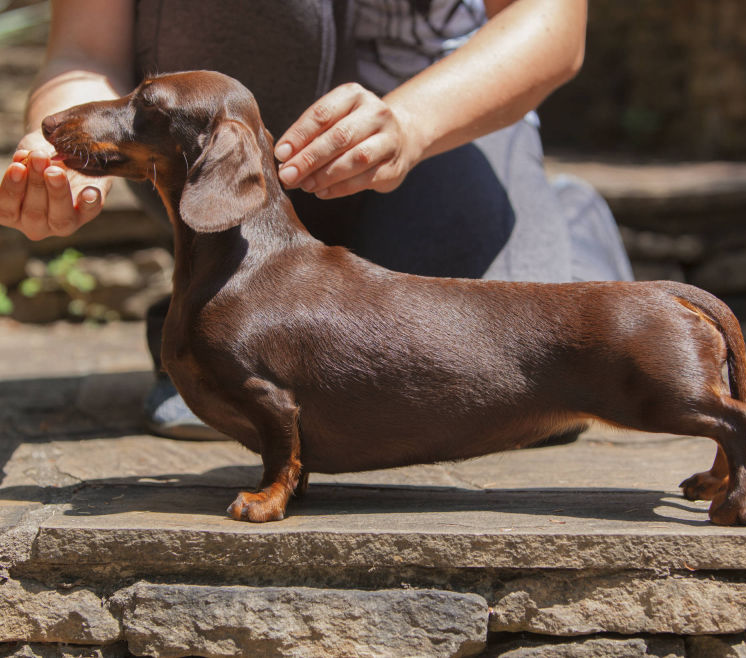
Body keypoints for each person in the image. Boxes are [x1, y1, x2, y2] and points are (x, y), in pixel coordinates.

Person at [0, 0, 632, 439]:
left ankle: (564, 226)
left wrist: (410, 123)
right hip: (215, 168)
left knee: (524, 401)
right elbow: (85, 49)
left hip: (442, 124)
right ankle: (225, 325)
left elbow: (551, 24)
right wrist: (56, 145)